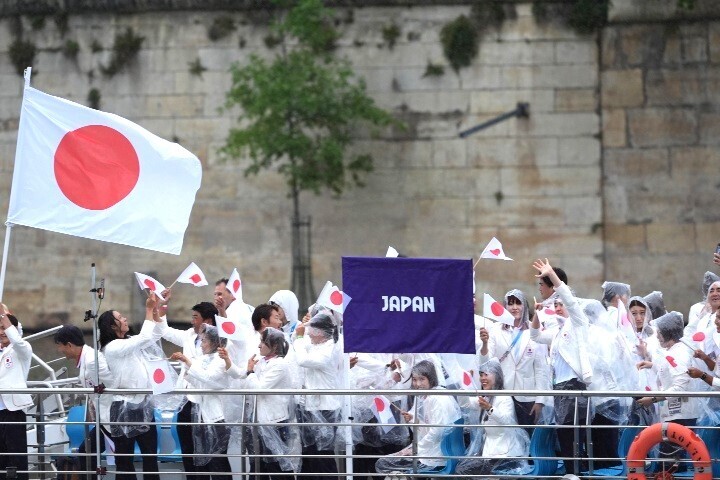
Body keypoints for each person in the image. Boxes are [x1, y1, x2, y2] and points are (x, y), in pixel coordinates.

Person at [530, 258, 592, 475]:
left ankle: (575, 472)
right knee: (564, 434)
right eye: (555, 305)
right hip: (560, 387)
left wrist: (553, 277)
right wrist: (538, 313)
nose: (557, 308)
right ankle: (572, 471)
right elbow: (535, 336)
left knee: (573, 434)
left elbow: (569, 298)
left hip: (574, 386)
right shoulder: (557, 331)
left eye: (560, 304)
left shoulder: (578, 322)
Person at [219, 327, 301, 479]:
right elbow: (241, 374)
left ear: (275, 346)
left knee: (278, 466)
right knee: (262, 465)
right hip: (260, 421)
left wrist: (250, 372)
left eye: (263, 342)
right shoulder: (262, 361)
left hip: (275, 422)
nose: (259, 346)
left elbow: (259, 387)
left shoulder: (279, 365)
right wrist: (227, 360)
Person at [98, 294, 164, 480]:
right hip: (123, 407)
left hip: (142, 404)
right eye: (120, 318)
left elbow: (153, 336)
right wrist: (148, 310)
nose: (125, 319)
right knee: (125, 461)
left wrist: (156, 314)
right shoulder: (113, 347)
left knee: (150, 456)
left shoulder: (128, 342)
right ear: (112, 326)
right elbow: (144, 338)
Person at [158, 297, 218, 480]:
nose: (192, 321)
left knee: (206, 448)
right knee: (186, 444)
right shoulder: (189, 336)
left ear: (207, 321)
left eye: (195, 317)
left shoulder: (218, 341)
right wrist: (162, 305)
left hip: (204, 400)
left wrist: (187, 362)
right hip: (185, 399)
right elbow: (164, 331)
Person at [478, 289, 551, 435]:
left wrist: (540, 400)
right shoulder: (495, 329)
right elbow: (485, 362)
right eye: (510, 304)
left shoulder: (534, 329)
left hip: (526, 395)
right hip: (502, 393)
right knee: (504, 435)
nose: (514, 308)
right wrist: (484, 343)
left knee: (526, 437)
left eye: (518, 303)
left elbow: (541, 368)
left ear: (524, 305)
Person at [636, 312, 700, 471]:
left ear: (668, 333)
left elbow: (679, 387)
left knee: (671, 464)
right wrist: (652, 365)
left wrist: (652, 399)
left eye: (659, 332)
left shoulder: (678, 354)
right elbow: (670, 371)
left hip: (680, 415)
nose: (657, 336)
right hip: (676, 413)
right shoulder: (674, 352)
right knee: (672, 461)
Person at [375, 360, 461, 475]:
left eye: (422, 379)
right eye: (415, 380)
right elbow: (426, 427)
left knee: (383, 464)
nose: (418, 384)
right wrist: (412, 419)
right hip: (429, 451)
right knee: (385, 462)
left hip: (435, 456)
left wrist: (415, 449)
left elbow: (437, 431)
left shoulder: (437, 399)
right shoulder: (426, 395)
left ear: (431, 379)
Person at [171, 326, 232, 480]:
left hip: (216, 418)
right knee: (203, 462)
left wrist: (189, 364)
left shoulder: (220, 360)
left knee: (218, 463)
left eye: (204, 341)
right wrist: (188, 370)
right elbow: (198, 383)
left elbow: (210, 379)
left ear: (214, 342)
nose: (201, 345)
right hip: (202, 417)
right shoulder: (203, 359)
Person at [54, 325, 113, 479]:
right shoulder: (87, 358)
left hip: (110, 416)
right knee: (86, 452)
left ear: (69, 345)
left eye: (59, 346)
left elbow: (110, 385)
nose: (59, 350)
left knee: (87, 452)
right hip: (104, 418)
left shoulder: (92, 360)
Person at [455, 359, 529, 476]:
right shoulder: (487, 397)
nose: (483, 378)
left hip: (507, 456)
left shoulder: (504, 398)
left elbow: (507, 421)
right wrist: (464, 386)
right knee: (462, 469)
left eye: (486, 374)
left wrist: (490, 408)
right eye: (481, 375)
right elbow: (465, 403)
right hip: (492, 454)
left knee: (463, 471)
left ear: (497, 376)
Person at [293, 312, 343, 477]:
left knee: (323, 455)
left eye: (311, 330)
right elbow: (299, 343)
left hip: (325, 408)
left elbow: (303, 360)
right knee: (311, 453)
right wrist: (302, 329)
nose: (308, 333)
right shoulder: (318, 344)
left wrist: (300, 338)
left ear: (321, 332)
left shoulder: (329, 348)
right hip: (311, 406)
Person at [0, 305, 32, 480]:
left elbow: (17, 338)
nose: (2, 332)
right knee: (2, 455)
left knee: (16, 455)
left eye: (4, 328)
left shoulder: (22, 349)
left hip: (13, 409)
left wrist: (4, 314)